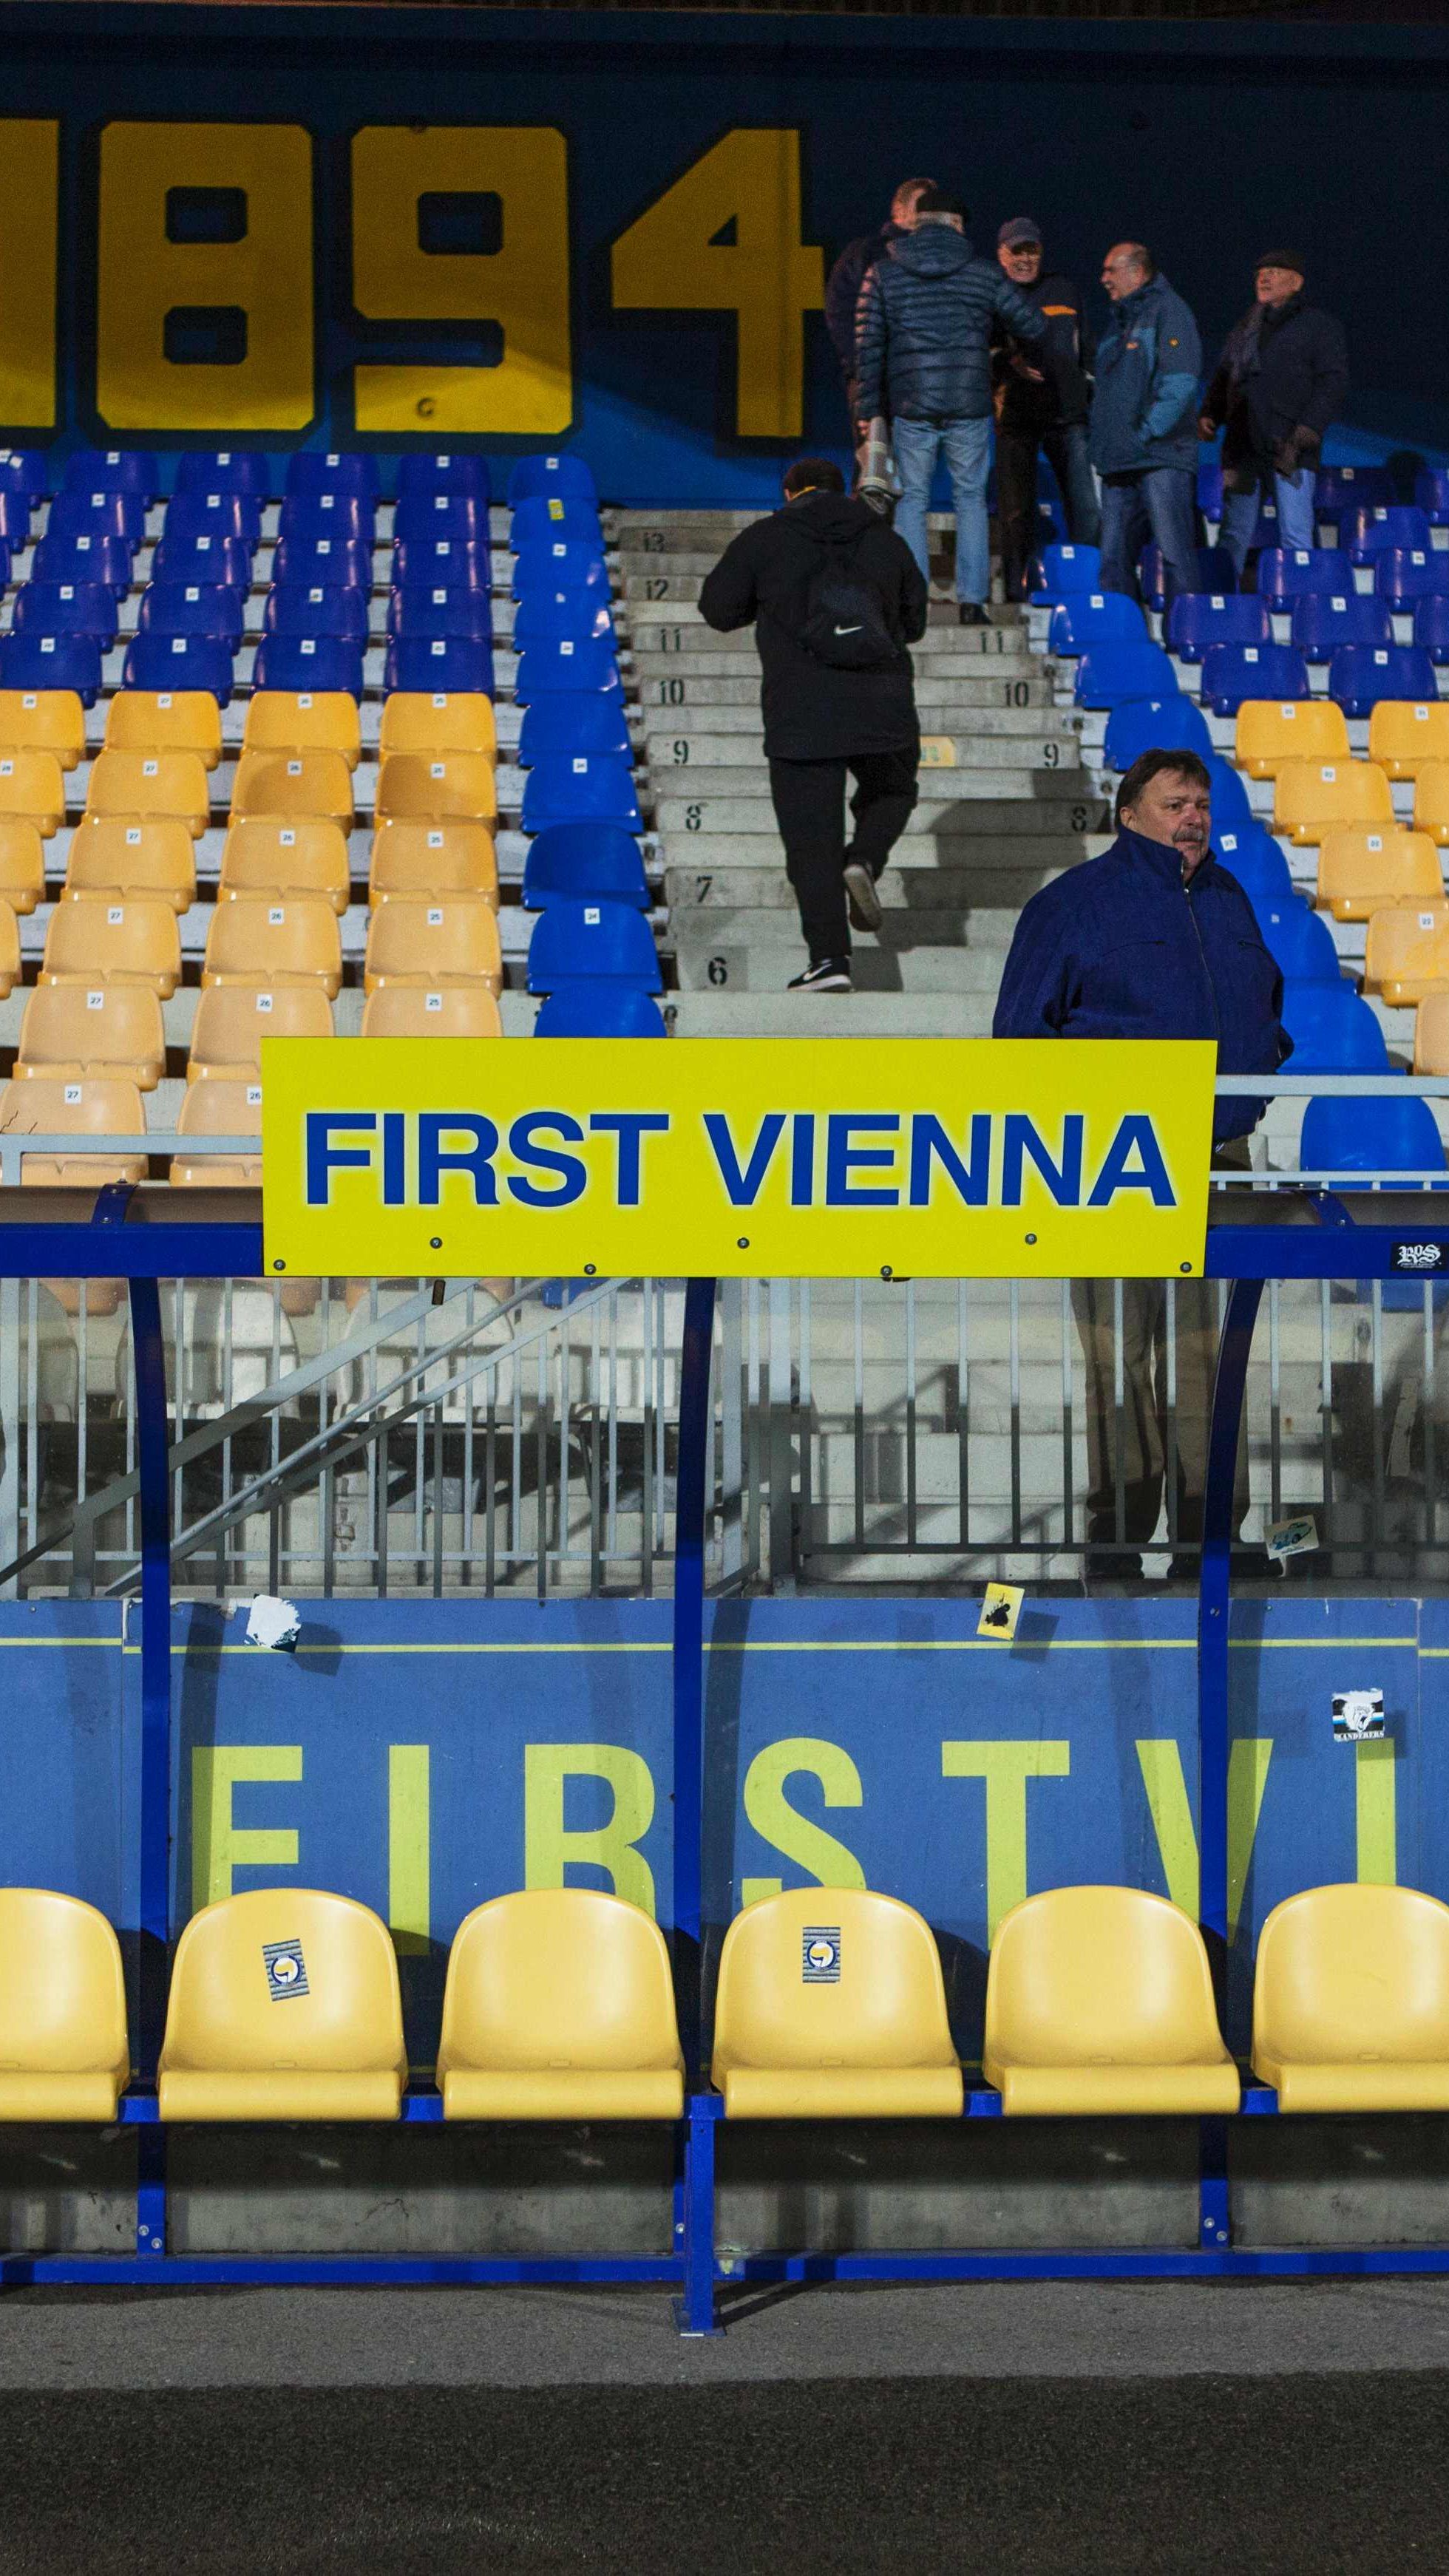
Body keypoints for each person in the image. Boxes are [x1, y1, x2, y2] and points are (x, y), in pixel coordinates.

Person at [992, 749, 1289, 1580]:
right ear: (1128, 815)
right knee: (1118, 1351)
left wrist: (1263, 1067)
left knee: (1205, 1352)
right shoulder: (1072, 903)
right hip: (1111, 1161)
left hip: (1214, 1157)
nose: (1193, 817)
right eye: (1174, 804)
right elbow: (1019, 1036)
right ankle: (1118, 1533)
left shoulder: (1228, 896)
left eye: (1200, 803)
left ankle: (1209, 1537)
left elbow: (1264, 1003)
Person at [699, 457, 927, 993]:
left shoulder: (764, 538)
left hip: (802, 710)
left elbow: (718, 610)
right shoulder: (885, 540)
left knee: (811, 842)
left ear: (788, 493)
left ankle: (830, 960)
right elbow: (914, 623)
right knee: (893, 789)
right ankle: (865, 857)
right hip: (883, 703)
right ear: (843, 490)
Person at [854, 187, 1053, 625]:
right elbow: (1034, 324)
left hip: (911, 403)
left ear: (917, 222)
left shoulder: (883, 274)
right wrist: (1005, 349)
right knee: (970, 500)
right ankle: (972, 602)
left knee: (912, 501)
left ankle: (913, 604)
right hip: (969, 402)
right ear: (957, 225)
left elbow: (867, 348)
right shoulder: (982, 273)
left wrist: (868, 411)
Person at [1200, 251, 1349, 579]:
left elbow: (1333, 383)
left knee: (1295, 535)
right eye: (1260, 273)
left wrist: (1306, 431)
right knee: (1233, 534)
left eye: (1274, 272)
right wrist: (1210, 412)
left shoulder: (1319, 326)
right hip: (1243, 447)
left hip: (1290, 447)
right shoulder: (1246, 326)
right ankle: (1223, 599)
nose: (1264, 278)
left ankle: (1302, 599)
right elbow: (1225, 375)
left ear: (1296, 282)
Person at [991, 217, 1099, 602]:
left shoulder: (1064, 289)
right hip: (1015, 417)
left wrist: (1088, 388)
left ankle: (1088, 587)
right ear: (1001, 255)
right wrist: (1010, 364)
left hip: (1067, 415)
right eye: (1016, 251)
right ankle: (1016, 593)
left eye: (1031, 250)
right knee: (1016, 511)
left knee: (1085, 507)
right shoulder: (992, 294)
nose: (1025, 258)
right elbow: (980, 351)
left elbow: (1086, 347)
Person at [1090, 243, 1202, 608]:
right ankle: (1123, 635)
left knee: (1175, 555)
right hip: (1119, 461)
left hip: (1160, 457)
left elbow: (1180, 384)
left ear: (1137, 273)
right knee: (1112, 560)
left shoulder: (1170, 311)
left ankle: (1186, 633)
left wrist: (1144, 433)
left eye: (1111, 270)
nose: (1103, 279)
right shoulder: (1117, 323)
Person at [824, 177, 935, 457]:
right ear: (899, 210)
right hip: (875, 382)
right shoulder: (865, 253)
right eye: (921, 206)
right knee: (874, 465)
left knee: (915, 465)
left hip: (923, 383)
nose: (928, 213)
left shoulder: (939, 258)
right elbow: (840, 312)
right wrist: (863, 367)